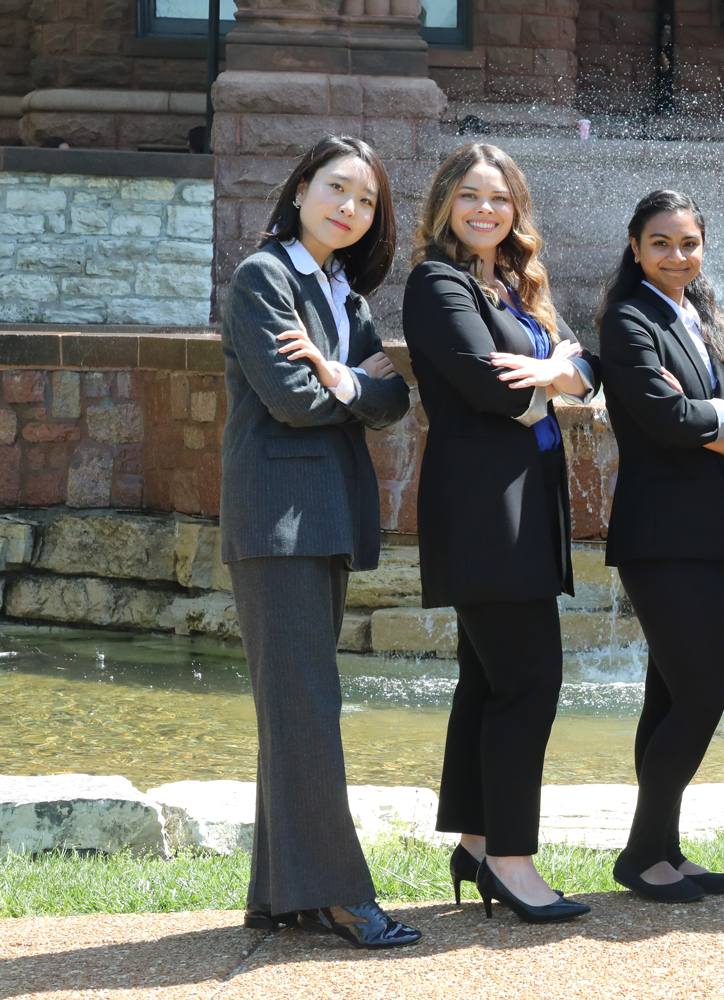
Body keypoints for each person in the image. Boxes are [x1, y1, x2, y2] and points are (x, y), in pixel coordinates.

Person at [219, 136, 416, 948]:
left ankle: (280, 896)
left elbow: (394, 397)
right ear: (300, 188)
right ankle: (339, 894)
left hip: (321, 517)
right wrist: (349, 386)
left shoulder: (343, 294)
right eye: (337, 188)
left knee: (296, 709)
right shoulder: (265, 277)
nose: (350, 208)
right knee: (307, 709)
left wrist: (342, 378)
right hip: (280, 519)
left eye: (366, 200)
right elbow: (293, 400)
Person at [404, 143, 595, 924]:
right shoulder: (435, 282)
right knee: (528, 682)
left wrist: (553, 375)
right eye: (472, 196)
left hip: (523, 508)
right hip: (485, 514)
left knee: (487, 683)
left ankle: (478, 842)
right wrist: (556, 377)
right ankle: (513, 862)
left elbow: (591, 373)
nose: (487, 210)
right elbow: (489, 388)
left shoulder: (512, 287)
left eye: (502, 198)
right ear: (445, 202)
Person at [596, 190, 724, 902]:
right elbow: (664, 418)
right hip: (659, 536)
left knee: (668, 696)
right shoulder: (627, 319)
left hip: (711, 531)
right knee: (701, 695)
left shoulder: (705, 316)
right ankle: (640, 855)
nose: (677, 256)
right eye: (661, 243)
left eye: (689, 242)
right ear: (635, 248)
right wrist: (718, 417)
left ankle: (665, 849)